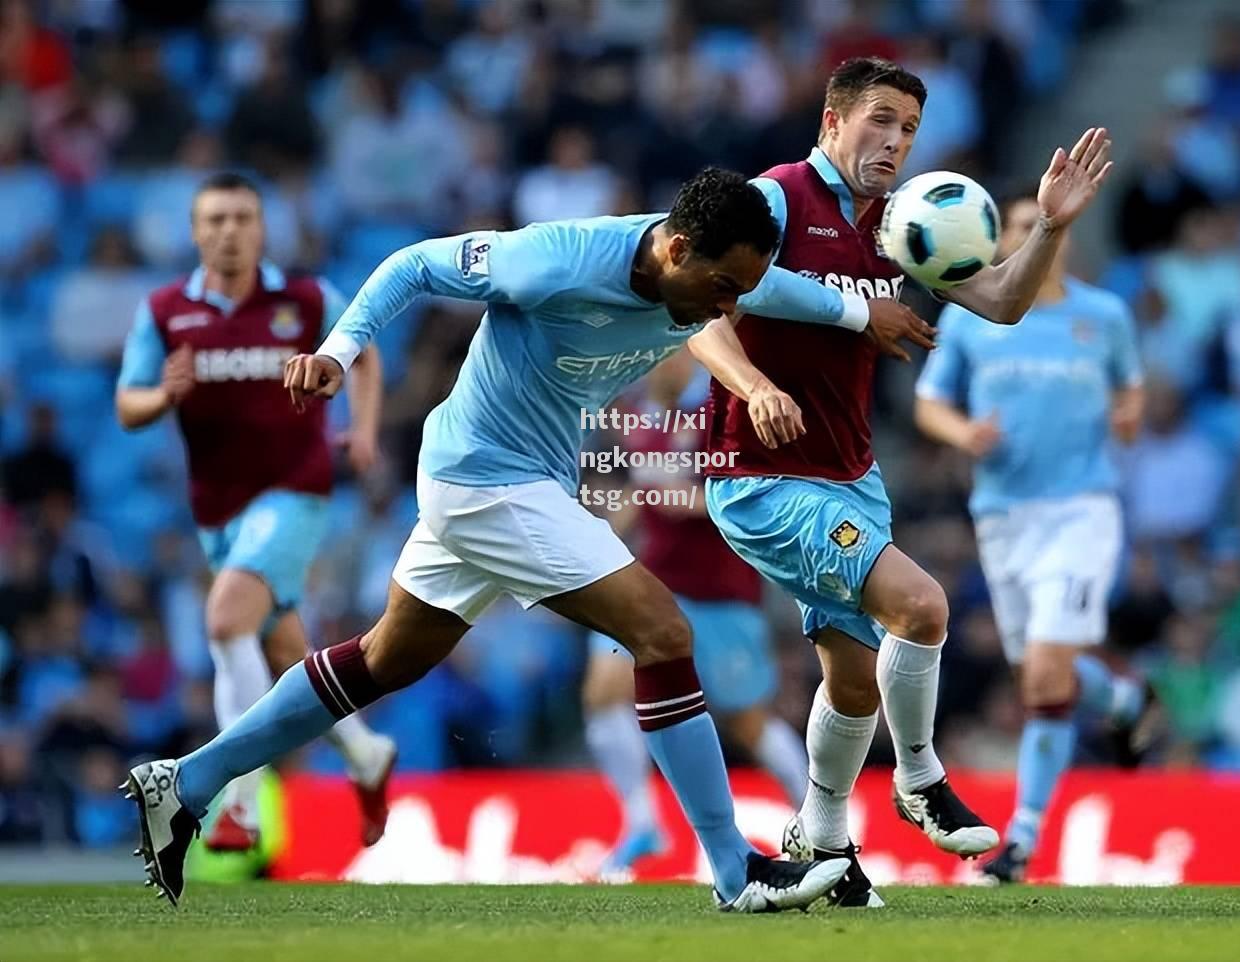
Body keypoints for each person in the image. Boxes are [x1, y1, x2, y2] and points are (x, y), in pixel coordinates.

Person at [122, 166, 910, 911]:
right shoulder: (556, 260)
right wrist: (338, 350)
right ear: (675, 248)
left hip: (517, 477)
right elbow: (412, 265)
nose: (725, 308)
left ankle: (183, 785)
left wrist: (858, 313)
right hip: (485, 479)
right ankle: (736, 870)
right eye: (720, 288)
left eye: (738, 290)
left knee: (383, 659)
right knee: (662, 629)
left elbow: (776, 288)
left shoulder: (714, 273)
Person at [689, 57, 1115, 908]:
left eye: (910, 129)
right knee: (921, 606)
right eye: (879, 120)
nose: (894, 141)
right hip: (761, 475)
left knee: (852, 680)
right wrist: (760, 386)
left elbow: (998, 301)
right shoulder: (776, 200)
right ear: (832, 121)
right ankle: (919, 777)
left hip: (851, 474)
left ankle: (823, 842)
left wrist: (1051, 230)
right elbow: (703, 312)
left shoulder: (901, 222)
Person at [115, 172, 398, 854]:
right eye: (215, 219)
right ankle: (365, 752)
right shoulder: (165, 310)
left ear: (262, 228)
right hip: (218, 510)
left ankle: (238, 801)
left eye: (242, 217)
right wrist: (164, 395)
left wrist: (362, 431)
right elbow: (128, 404)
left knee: (222, 618)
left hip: (295, 489)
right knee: (278, 653)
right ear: (194, 231)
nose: (229, 231)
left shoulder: (301, 299)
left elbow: (363, 354)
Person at [914, 188, 1162, 883]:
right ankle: (1123, 700)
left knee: (1047, 675)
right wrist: (965, 433)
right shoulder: (972, 319)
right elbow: (930, 402)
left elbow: (1131, 387)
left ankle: (1021, 839)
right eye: (1016, 229)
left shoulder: (1102, 315)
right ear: (995, 245)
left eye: (1039, 226)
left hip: (1081, 508)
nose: (1029, 237)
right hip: (1003, 515)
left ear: (1063, 239)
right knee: (1039, 681)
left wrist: (1128, 416)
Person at [583, 352, 808, 877]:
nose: (659, 365)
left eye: (670, 355)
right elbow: (637, 499)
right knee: (602, 692)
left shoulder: (718, 416)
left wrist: (687, 500)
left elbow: (750, 494)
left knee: (748, 720)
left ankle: (817, 817)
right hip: (654, 586)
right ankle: (641, 822)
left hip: (720, 593)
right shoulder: (637, 421)